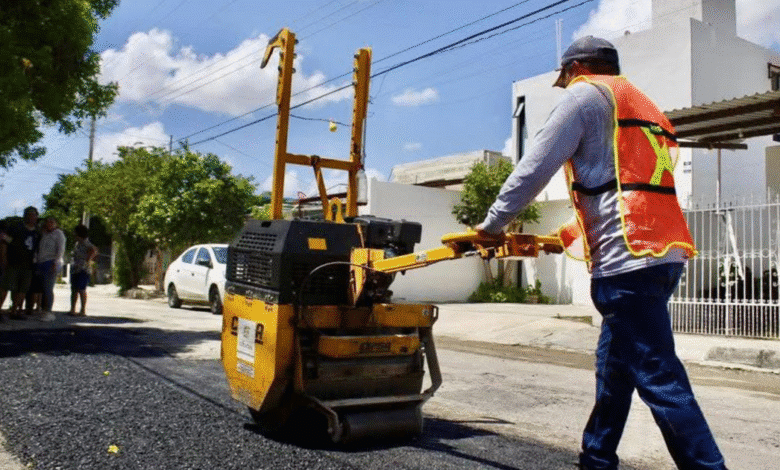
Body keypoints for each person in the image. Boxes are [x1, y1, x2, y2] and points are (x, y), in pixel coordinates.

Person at [476, 36, 727, 470]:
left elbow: (535, 167)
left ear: (575, 69)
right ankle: (596, 457)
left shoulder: (583, 97)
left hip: (625, 266)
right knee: (615, 369)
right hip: (661, 254)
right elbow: (627, 193)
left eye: (565, 76)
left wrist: (491, 225)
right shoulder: (641, 105)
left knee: (660, 379)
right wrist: (569, 236)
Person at [0, 207, 40, 320]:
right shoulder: (16, 228)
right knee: (5, 287)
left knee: (22, 290)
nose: (31, 217)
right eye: (29, 214)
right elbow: (5, 242)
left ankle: (15, 311)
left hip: (28, 265)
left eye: (34, 215)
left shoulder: (37, 232)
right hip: (13, 263)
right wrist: (3, 258)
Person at [32, 216, 66, 322]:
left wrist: (56, 263)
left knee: (48, 288)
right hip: (40, 262)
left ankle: (48, 311)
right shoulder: (43, 234)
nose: (49, 223)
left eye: (52, 222)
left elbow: (60, 249)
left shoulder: (59, 234)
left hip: (50, 262)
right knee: (41, 289)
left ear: (56, 223)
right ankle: (42, 310)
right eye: (47, 222)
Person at [68, 224, 97, 317]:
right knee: (74, 289)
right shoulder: (77, 244)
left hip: (83, 269)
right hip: (75, 268)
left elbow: (94, 250)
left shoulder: (86, 243)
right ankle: (72, 309)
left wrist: (88, 260)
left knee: (81, 289)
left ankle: (83, 310)